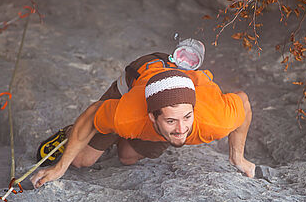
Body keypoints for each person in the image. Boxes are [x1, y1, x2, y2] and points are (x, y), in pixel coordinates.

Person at [30, 39, 255, 188]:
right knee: (81, 160)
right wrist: (60, 168)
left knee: (127, 157)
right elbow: (92, 114)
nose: (181, 130)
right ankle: (76, 132)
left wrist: (238, 158)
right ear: (152, 117)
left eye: (187, 117)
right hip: (145, 72)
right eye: (170, 121)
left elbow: (243, 102)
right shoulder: (128, 114)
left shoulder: (214, 120)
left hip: (177, 88)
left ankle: (118, 134)